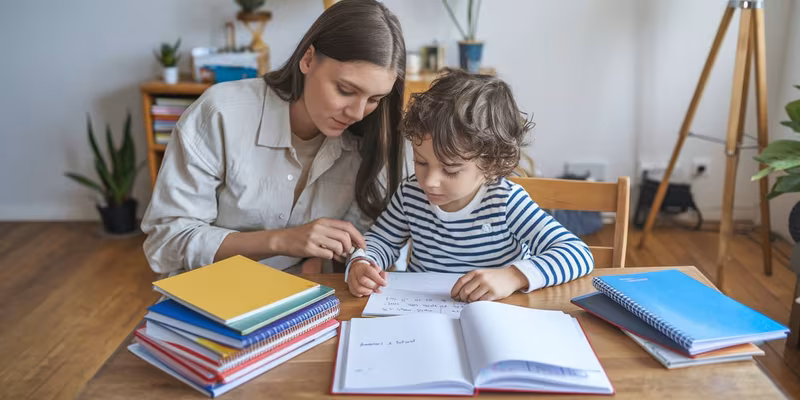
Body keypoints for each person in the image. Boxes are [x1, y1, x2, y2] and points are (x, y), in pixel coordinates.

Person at [141, 0, 406, 274]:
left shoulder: (367, 139)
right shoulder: (220, 113)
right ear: (308, 59)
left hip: (307, 297)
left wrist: (325, 261)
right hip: (211, 295)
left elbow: (365, 240)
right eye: (345, 90)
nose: (358, 112)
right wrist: (282, 241)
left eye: (374, 99)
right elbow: (167, 244)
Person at [346, 69, 595, 301]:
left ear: (491, 166)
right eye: (421, 162)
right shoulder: (410, 194)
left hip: (497, 314)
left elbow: (576, 253)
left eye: (450, 169)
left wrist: (513, 276)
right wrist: (362, 262)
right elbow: (382, 241)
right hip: (421, 313)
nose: (429, 181)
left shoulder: (505, 201)